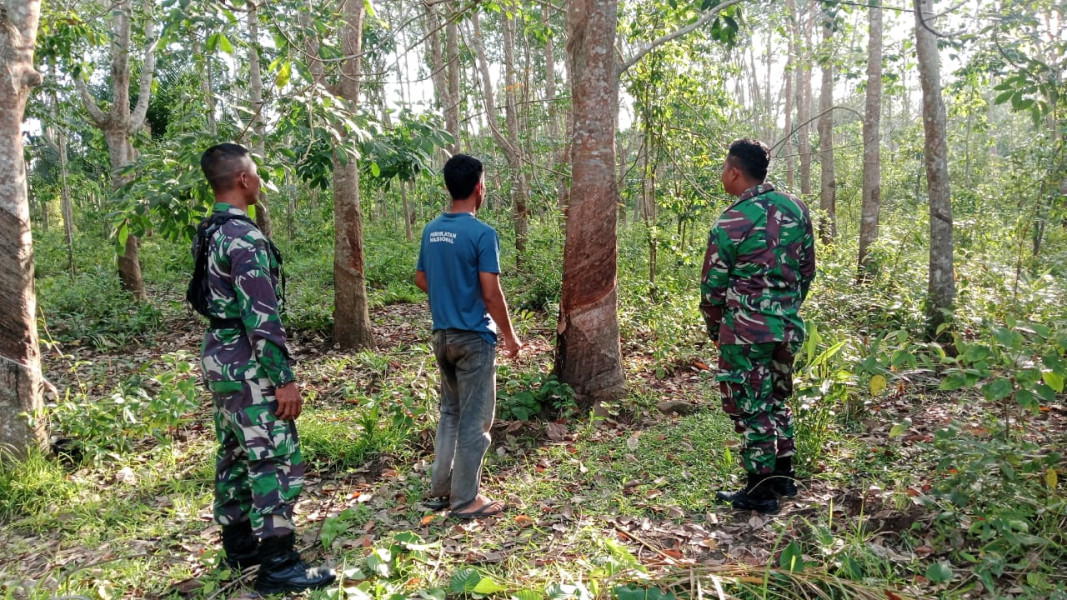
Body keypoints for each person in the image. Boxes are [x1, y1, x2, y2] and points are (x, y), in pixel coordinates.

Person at [195, 143, 335, 594]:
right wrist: (284, 379)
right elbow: (261, 315)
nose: (259, 180)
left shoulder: (210, 231)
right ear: (242, 180)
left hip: (219, 355)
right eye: (255, 173)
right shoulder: (243, 237)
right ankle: (278, 564)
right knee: (273, 456)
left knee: (234, 452)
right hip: (249, 362)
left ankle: (240, 548)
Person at [700, 139, 816, 514]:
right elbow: (807, 270)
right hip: (785, 326)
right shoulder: (796, 209)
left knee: (752, 406)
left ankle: (761, 490)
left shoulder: (732, 220)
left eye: (723, 169)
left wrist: (717, 328)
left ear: (734, 171)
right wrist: (786, 308)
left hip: (746, 331)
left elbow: (713, 287)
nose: (722, 176)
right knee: (776, 397)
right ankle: (783, 475)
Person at [415, 154, 522, 520]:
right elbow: (491, 293)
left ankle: (439, 490)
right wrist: (509, 337)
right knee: (476, 421)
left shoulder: (432, 230)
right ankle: (465, 500)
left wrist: (447, 296)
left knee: (450, 414)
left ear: (449, 187)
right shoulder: (482, 233)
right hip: (474, 338)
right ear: (480, 187)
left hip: (442, 336)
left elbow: (421, 278)